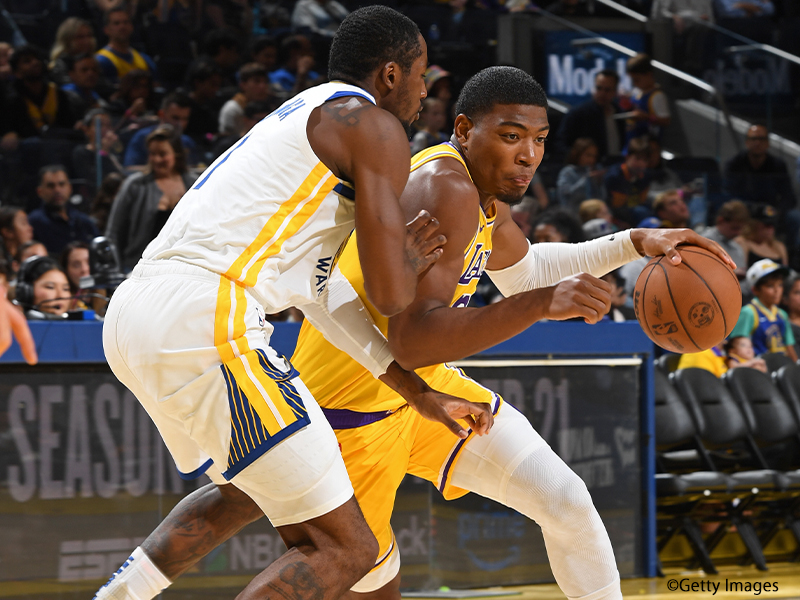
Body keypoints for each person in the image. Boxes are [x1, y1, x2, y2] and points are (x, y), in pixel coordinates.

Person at [113, 66, 737, 600]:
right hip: (352, 408)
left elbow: (527, 271)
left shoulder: (482, 197)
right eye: (511, 137)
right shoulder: (444, 189)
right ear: (464, 130)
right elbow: (415, 339)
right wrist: (543, 306)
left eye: (540, 140)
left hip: (423, 394)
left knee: (567, 502)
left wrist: (635, 241)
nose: (528, 154)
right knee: (294, 533)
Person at [94, 7, 492, 600]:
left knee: (247, 491)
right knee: (346, 548)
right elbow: (390, 294)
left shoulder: (301, 119)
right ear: (390, 74)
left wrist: (417, 392)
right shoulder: (376, 127)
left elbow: (326, 296)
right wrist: (407, 261)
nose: (425, 92)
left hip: (136, 312)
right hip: (207, 312)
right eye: (420, 75)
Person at [107, 126, 196, 271]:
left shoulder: (194, 185)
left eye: (162, 154)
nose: (156, 159)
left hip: (183, 268)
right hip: (138, 268)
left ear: (177, 154)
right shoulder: (134, 185)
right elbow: (114, 232)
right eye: (152, 154)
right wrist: (116, 269)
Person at [723, 125, 798, 251]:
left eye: (761, 139)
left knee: (794, 218)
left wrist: (778, 211)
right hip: (745, 210)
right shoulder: (734, 164)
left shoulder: (778, 165)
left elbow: (789, 196)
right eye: (753, 139)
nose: (757, 142)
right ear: (747, 142)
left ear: (768, 143)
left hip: (771, 211)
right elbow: (728, 195)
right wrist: (752, 209)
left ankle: (791, 256)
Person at [730, 258, 798, 360]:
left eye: (780, 285)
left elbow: (789, 347)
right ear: (755, 290)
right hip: (759, 365)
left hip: (781, 364)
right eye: (770, 286)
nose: (777, 290)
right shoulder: (749, 312)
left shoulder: (782, 314)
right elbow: (737, 347)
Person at [27, 165, 99, 255]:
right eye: (51, 186)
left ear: (70, 188)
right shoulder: (34, 223)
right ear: (40, 191)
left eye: (62, 184)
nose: (57, 190)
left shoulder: (83, 221)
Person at [555, 69, 625, 161]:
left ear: (615, 91)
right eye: (599, 88)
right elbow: (560, 143)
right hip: (587, 167)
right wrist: (578, 160)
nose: (602, 93)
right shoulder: (578, 113)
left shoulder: (620, 113)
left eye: (607, 90)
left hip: (615, 164)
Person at [123, 91, 197, 167]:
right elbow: (130, 168)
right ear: (161, 114)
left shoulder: (187, 142)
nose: (180, 124)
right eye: (175, 118)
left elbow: (196, 169)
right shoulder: (142, 137)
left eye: (185, 119)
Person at [72, 108, 124, 203]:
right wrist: (103, 152)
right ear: (87, 130)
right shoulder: (81, 153)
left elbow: (121, 176)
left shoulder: (113, 153)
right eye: (100, 125)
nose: (105, 129)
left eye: (108, 125)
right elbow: (95, 180)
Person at [95, 7, 157, 85]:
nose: (122, 26)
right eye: (116, 23)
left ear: (132, 27)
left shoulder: (144, 59)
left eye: (126, 22)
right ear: (106, 29)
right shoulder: (100, 61)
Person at [623, 54, 670, 149]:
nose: (634, 83)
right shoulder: (636, 91)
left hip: (648, 146)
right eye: (632, 80)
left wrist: (647, 117)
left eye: (637, 80)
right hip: (632, 142)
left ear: (649, 74)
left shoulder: (657, 96)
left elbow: (666, 121)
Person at [604, 136, 652, 227]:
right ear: (627, 157)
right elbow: (609, 206)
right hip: (617, 220)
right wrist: (618, 222)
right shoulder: (613, 177)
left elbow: (643, 201)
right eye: (637, 158)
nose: (641, 164)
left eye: (645, 160)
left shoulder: (645, 176)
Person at [218, 63, 273, 135]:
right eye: (257, 81)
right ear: (243, 84)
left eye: (265, 82)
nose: (263, 86)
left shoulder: (270, 104)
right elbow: (227, 138)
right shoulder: (232, 109)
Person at [701, 200, 748, 279]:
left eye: (740, 229)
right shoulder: (704, 241)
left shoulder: (737, 248)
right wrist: (731, 274)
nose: (738, 233)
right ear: (721, 220)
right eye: (734, 228)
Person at [556, 137, 605, 211]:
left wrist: (599, 182)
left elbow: (602, 198)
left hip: (593, 213)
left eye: (594, 156)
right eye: (588, 155)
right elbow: (566, 195)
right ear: (577, 154)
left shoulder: (594, 171)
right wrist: (586, 179)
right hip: (572, 213)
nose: (592, 160)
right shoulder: (567, 172)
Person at [735, 204, 788, 269]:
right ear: (754, 224)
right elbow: (739, 269)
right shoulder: (742, 242)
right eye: (767, 225)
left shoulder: (779, 247)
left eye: (773, 225)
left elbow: (786, 272)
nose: (770, 229)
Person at [49, 17, 97, 85]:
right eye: (80, 37)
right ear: (67, 40)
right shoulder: (60, 66)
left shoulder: (93, 61)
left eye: (89, 36)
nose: (87, 41)